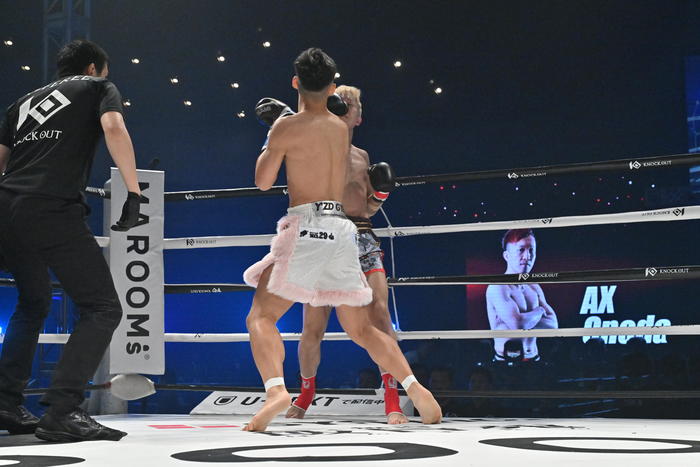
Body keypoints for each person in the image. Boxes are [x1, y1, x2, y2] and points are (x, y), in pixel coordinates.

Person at [242, 47, 441, 432]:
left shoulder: (286, 127)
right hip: (343, 231)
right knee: (363, 329)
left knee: (261, 316)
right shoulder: (339, 129)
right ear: (332, 87)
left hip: (306, 226)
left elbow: (263, 181)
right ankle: (415, 387)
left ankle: (276, 391)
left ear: (295, 82)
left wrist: (274, 134)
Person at [0, 39, 142, 442]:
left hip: (7, 209)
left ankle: (5, 402)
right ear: (94, 67)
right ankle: (63, 410)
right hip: (50, 205)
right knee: (102, 307)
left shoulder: (20, 104)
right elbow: (114, 127)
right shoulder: (97, 86)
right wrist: (134, 192)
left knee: (34, 301)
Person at [260, 85, 406, 424]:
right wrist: (285, 121)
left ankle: (392, 399)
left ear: (359, 117)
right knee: (313, 325)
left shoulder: (362, 157)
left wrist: (380, 195)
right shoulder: (316, 147)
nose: (347, 103)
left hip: (362, 237)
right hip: (323, 234)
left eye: (354, 102)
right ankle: (306, 394)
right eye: (342, 98)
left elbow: (367, 207)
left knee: (380, 314)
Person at [485, 229, 558, 362]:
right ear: (506, 256)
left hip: (534, 359)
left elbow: (553, 325)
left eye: (531, 250)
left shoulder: (534, 286)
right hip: (505, 361)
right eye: (521, 250)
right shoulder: (498, 287)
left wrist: (525, 322)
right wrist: (539, 311)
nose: (527, 256)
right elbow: (518, 325)